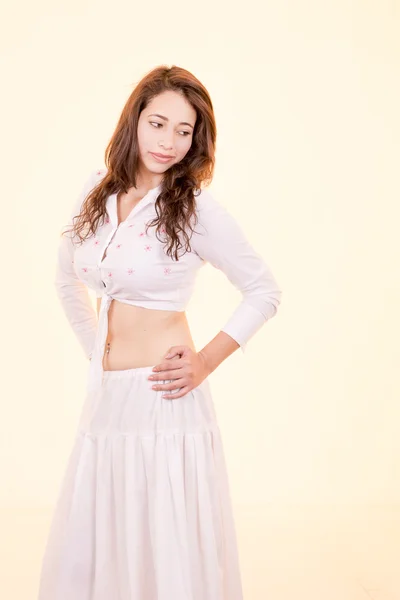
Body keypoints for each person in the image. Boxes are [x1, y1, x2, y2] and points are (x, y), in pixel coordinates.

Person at [37, 65, 282, 600]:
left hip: (163, 401)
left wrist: (205, 361)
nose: (168, 141)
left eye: (184, 130)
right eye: (158, 123)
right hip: (105, 400)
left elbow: (263, 291)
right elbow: (65, 281)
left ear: (198, 139)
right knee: (106, 540)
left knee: (163, 544)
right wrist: (95, 354)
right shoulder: (93, 195)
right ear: (135, 120)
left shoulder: (195, 210)